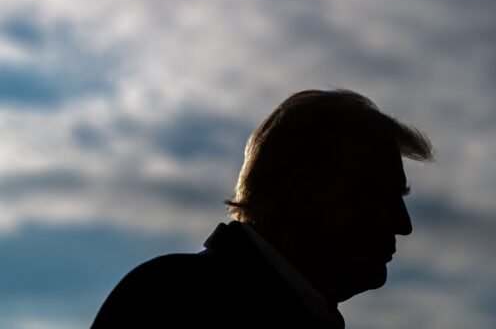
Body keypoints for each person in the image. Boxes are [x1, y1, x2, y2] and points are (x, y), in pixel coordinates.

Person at [90, 89, 433, 328]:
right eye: (379, 196)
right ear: (305, 192)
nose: (403, 224)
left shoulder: (172, 293)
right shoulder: (170, 302)